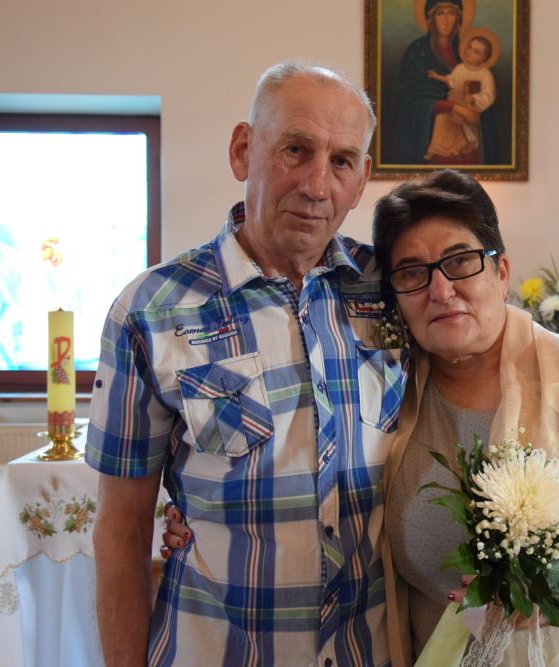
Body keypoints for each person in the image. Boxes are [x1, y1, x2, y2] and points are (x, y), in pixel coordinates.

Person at [165, 170, 559, 665]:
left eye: (460, 262)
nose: (440, 290)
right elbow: (304, 464)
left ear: (501, 270)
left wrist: (544, 596)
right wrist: (196, 516)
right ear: (394, 297)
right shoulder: (386, 387)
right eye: (412, 272)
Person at [87, 61, 408, 666]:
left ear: (361, 179)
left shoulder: (393, 291)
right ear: (243, 151)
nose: (317, 185)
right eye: (296, 149)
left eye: (341, 161)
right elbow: (122, 530)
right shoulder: (151, 310)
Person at [389, 0, 499, 166]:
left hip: (468, 140)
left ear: (459, 18)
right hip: (432, 134)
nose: (446, 20)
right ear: (430, 18)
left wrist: (472, 106)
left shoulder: (466, 53)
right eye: (441, 13)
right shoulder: (417, 53)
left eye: (451, 13)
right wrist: (453, 107)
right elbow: (410, 100)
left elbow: (485, 99)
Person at [424, 33, 497, 162]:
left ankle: (466, 142)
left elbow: (488, 95)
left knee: (457, 120)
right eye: (469, 47)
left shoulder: (485, 74)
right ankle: (436, 149)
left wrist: (474, 98)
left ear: (484, 58)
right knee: (441, 118)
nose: (470, 52)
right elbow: (451, 81)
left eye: (476, 52)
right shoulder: (460, 68)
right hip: (455, 103)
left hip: (471, 108)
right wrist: (438, 77)